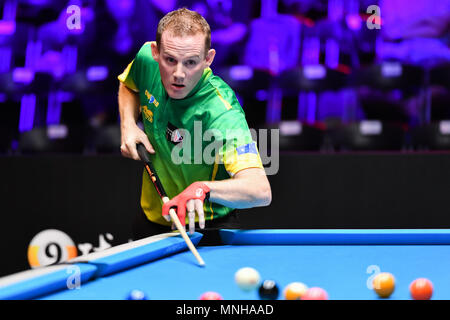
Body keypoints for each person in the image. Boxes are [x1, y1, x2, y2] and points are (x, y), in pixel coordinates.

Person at [117, 8, 271, 244]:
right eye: (170, 60)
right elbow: (129, 85)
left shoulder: (221, 112)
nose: (179, 73)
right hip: (151, 222)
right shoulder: (146, 60)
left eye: (191, 62)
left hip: (207, 227)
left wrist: (204, 189)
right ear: (156, 52)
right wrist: (128, 124)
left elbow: (260, 190)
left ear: (208, 59)